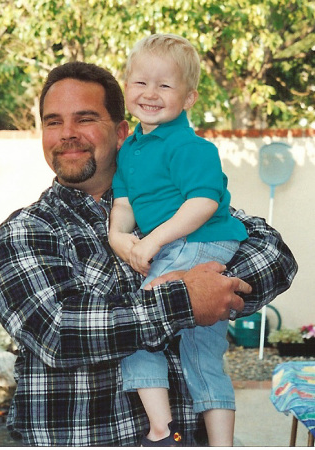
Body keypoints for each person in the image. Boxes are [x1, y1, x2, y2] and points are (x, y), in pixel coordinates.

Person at [0, 60, 298, 447]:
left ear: (120, 133)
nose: (67, 134)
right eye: (52, 122)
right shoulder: (25, 232)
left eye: (84, 119)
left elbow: (274, 253)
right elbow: (60, 331)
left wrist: (210, 287)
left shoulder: (169, 203)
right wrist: (187, 297)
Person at [109, 34, 246, 446]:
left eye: (165, 86)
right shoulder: (131, 149)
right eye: (140, 82)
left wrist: (150, 243)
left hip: (200, 242)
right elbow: (124, 205)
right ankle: (220, 445)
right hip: (181, 246)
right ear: (127, 85)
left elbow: (203, 203)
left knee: (141, 321)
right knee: (203, 353)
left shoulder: (191, 146)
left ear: (188, 99)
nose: (150, 93)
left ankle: (160, 429)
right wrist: (119, 237)